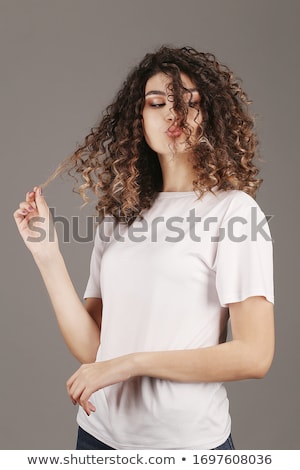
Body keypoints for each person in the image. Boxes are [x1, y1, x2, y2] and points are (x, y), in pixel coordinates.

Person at [14, 46, 274, 450]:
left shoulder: (234, 213)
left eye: (189, 102)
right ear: (139, 119)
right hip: (99, 438)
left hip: (187, 447)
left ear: (209, 116)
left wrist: (130, 364)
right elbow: (93, 349)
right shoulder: (120, 217)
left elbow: (254, 355)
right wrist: (46, 253)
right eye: (157, 103)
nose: (173, 113)